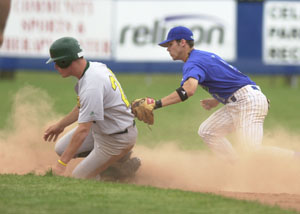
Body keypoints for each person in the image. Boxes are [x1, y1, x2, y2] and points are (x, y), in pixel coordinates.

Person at [143, 26, 296, 160]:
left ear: (182, 42)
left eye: (170, 44)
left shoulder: (193, 62)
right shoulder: (202, 56)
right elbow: (227, 78)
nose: (168, 49)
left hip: (247, 101)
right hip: (240, 99)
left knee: (252, 151)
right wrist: (215, 99)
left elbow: (188, 90)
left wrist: (156, 104)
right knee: (208, 131)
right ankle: (237, 168)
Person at [44, 37, 140, 180]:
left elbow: (83, 130)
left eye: (57, 62)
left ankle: (118, 172)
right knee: (61, 148)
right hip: (106, 129)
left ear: (66, 61)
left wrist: (61, 165)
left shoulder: (91, 84)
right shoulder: (94, 68)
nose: (55, 67)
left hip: (116, 138)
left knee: (79, 177)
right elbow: (83, 106)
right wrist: (60, 125)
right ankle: (114, 161)